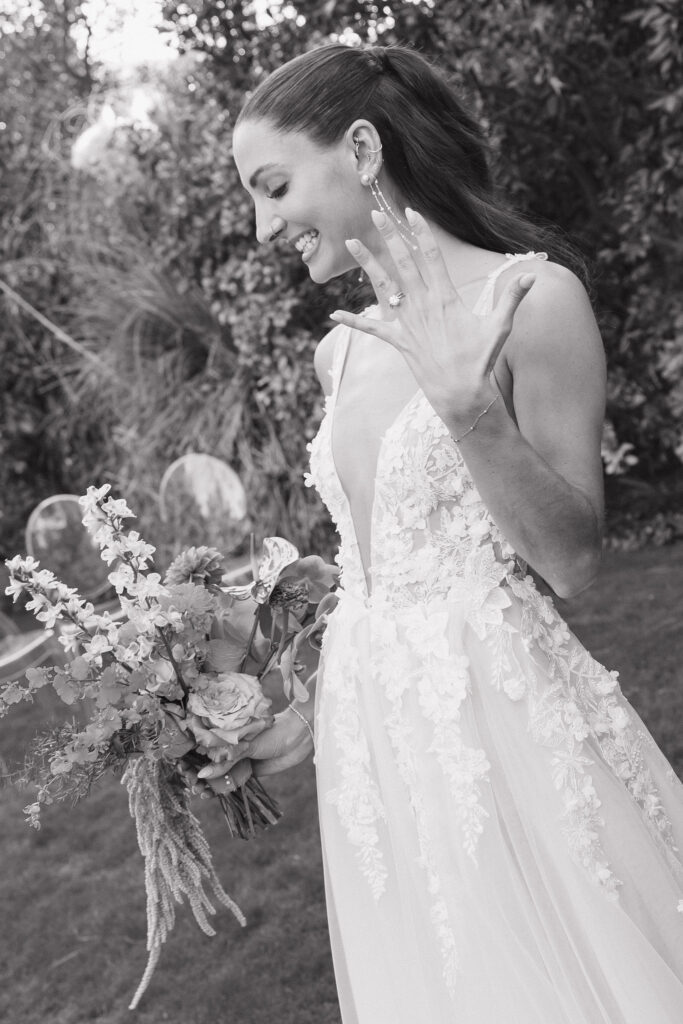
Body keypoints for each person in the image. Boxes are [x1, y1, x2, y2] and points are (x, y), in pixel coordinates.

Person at [227, 43, 683, 1023]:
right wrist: (267, 709)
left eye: (271, 187)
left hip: (503, 727)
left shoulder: (530, 301)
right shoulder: (337, 350)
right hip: (376, 746)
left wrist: (469, 413)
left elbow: (570, 562)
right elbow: (376, 572)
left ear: (358, 148)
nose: (262, 226)